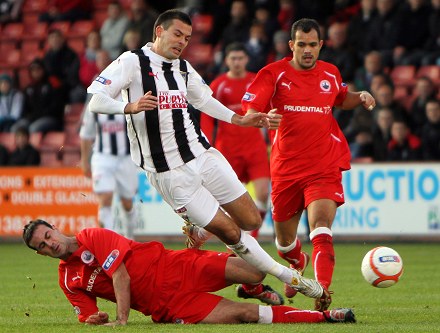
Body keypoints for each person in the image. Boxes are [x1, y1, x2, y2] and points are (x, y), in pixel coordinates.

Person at [86, 9, 326, 306]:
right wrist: (129, 107)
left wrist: (238, 120)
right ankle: (294, 279)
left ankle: (199, 228)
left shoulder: (183, 67)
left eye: (187, 38)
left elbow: (204, 100)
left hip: (203, 154)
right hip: (169, 172)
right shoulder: (132, 62)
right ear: (159, 31)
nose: (182, 42)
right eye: (177, 35)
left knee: (250, 218)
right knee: (230, 232)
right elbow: (95, 99)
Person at [241, 18, 376, 311]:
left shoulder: (330, 72)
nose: (307, 50)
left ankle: (322, 293)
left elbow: (341, 98)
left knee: (321, 227)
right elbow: (251, 108)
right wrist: (262, 116)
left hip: (324, 165)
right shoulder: (274, 73)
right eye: (301, 45)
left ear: (320, 45)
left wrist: (360, 97)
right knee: (284, 243)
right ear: (292, 45)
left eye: (312, 45)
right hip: (286, 169)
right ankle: (297, 263)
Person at [22, 219, 357, 325]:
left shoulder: (91, 236)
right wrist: (95, 321)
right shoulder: (69, 280)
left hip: (178, 265)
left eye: (47, 236)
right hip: (169, 306)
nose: (50, 245)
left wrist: (121, 320)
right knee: (244, 316)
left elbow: (121, 276)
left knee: (255, 274)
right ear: (40, 253)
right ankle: (327, 319)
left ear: (54, 228)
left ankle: (253, 287)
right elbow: (89, 316)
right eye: (42, 246)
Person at [200, 41, 271, 250]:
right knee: (226, 200)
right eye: (233, 58)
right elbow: (206, 115)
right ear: (226, 60)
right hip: (228, 148)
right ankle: (230, 238)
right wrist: (206, 143)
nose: (237, 62)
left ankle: (252, 238)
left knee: (263, 194)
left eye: (240, 58)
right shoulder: (218, 84)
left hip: (255, 145)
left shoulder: (255, 81)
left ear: (246, 60)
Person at [79, 99, 139, 239]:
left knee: (127, 203)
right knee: (105, 198)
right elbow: (86, 135)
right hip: (102, 158)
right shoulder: (95, 104)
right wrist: (84, 161)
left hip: (126, 158)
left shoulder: (128, 99)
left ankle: (130, 239)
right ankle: (108, 243)